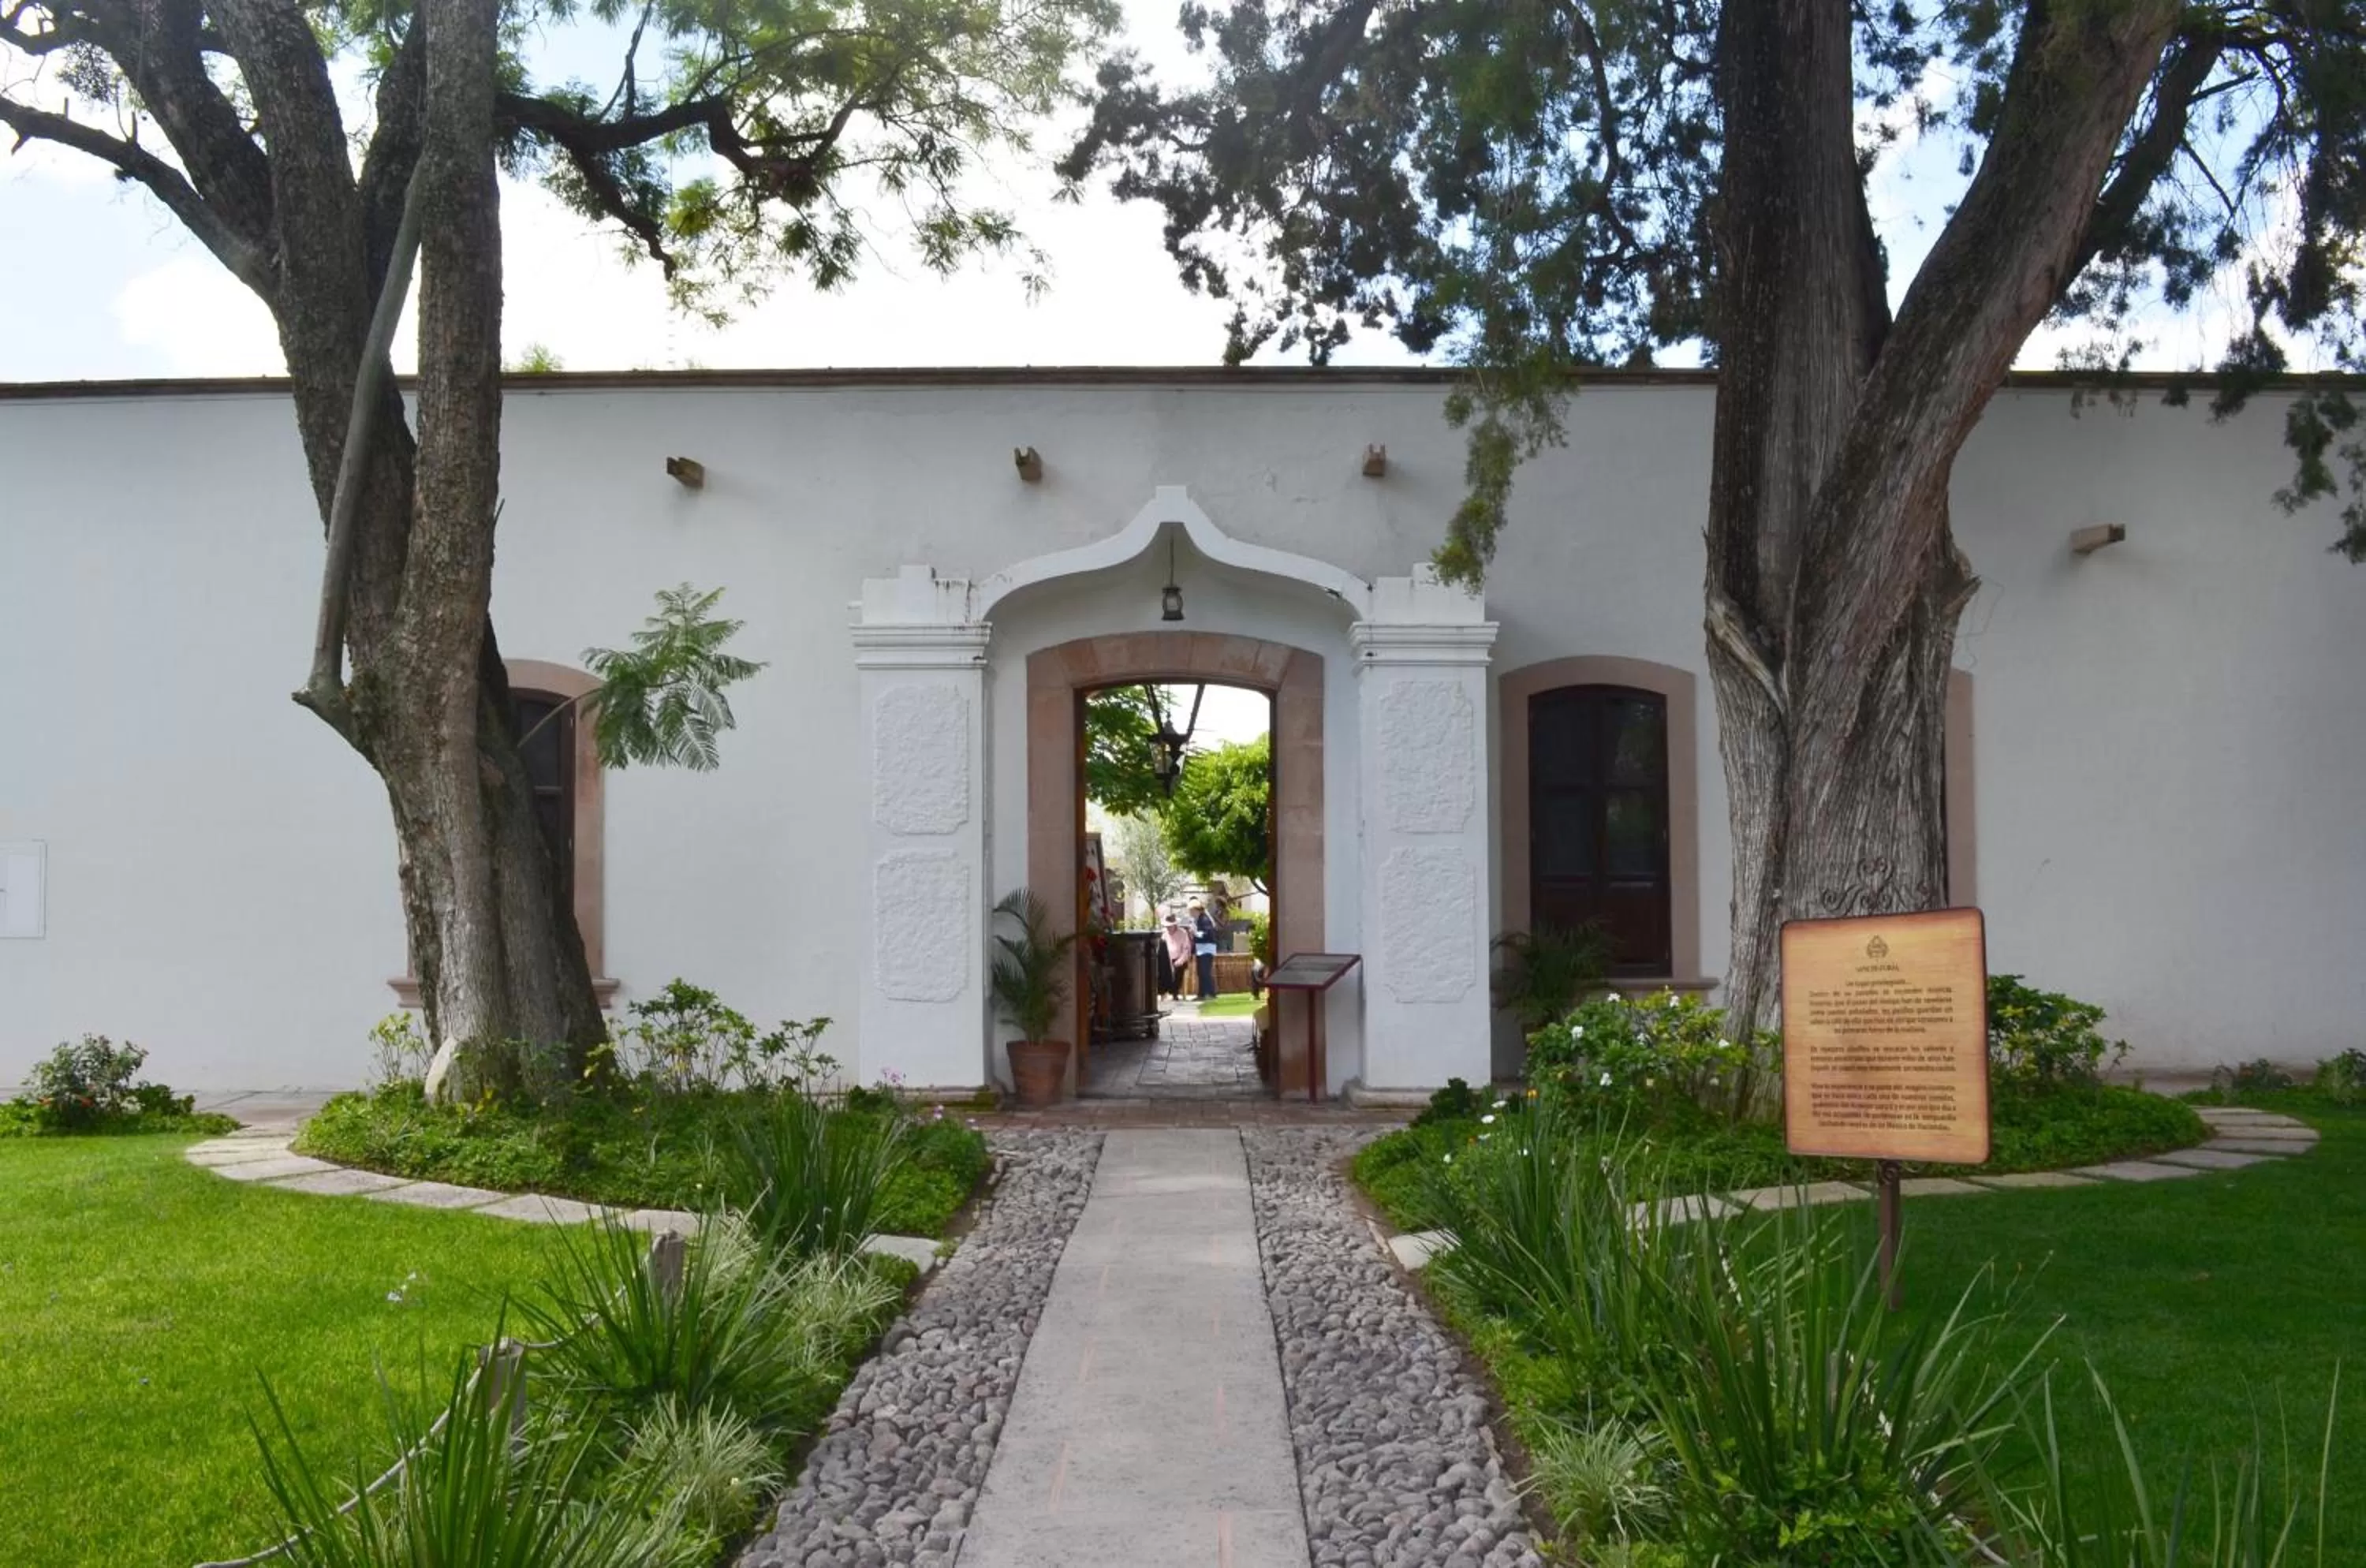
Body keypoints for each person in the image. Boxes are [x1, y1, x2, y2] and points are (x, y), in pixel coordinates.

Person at [1190, 899, 1221, 1002]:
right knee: (1201, 972)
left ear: (1196, 910)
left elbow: (1207, 934)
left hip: (1206, 948)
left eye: (1191, 911)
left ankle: (1211, 993)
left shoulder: (1204, 920)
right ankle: (1202, 994)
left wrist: (1195, 933)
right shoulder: (1198, 919)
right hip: (1201, 949)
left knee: (1205, 971)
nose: (1191, 913)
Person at [1159, 910, 1189, 1001]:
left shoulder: (1183, 933)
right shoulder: (1164, 934)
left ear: (1175, 925)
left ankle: (1174, 992)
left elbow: (1186, 950)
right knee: (1160, 969)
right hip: (1167, 959)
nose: (1168, 928)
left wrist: (1180, 960)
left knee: (1179, 968)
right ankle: (1163, 992)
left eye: (1170, 926)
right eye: (1167, 926)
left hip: (1179, 958)